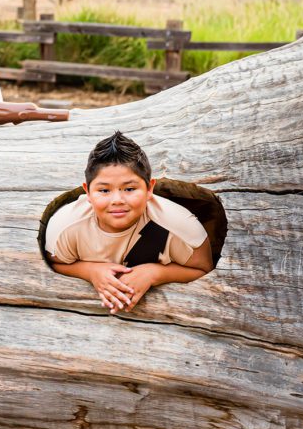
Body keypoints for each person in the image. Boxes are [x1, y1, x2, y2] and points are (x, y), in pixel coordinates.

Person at [44, 131, 213, 313]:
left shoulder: (179, 224)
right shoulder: (65, 227)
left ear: (149, 189)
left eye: (130, 188)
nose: (117, 199)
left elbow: (204, 268)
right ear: (87, 192)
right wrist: (91, 271)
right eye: (104, 190)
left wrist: (155, 273)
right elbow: (53, 263)